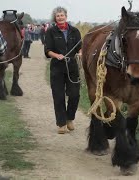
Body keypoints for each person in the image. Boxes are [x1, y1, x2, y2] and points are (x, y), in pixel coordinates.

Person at [44, 6, 82, 134]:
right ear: (55, 18)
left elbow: (79, 48)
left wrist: (81, 53)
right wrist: (57, 55)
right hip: (57, 68)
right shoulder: (50, 32)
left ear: (66, 16)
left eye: (62, 15)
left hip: (72, 68)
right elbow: (48, 50)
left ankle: (70, 118)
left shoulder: (75, 31)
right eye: (58, 15)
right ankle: (61, 124)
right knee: (59, 96)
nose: (60, 17)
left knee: (75, 95)